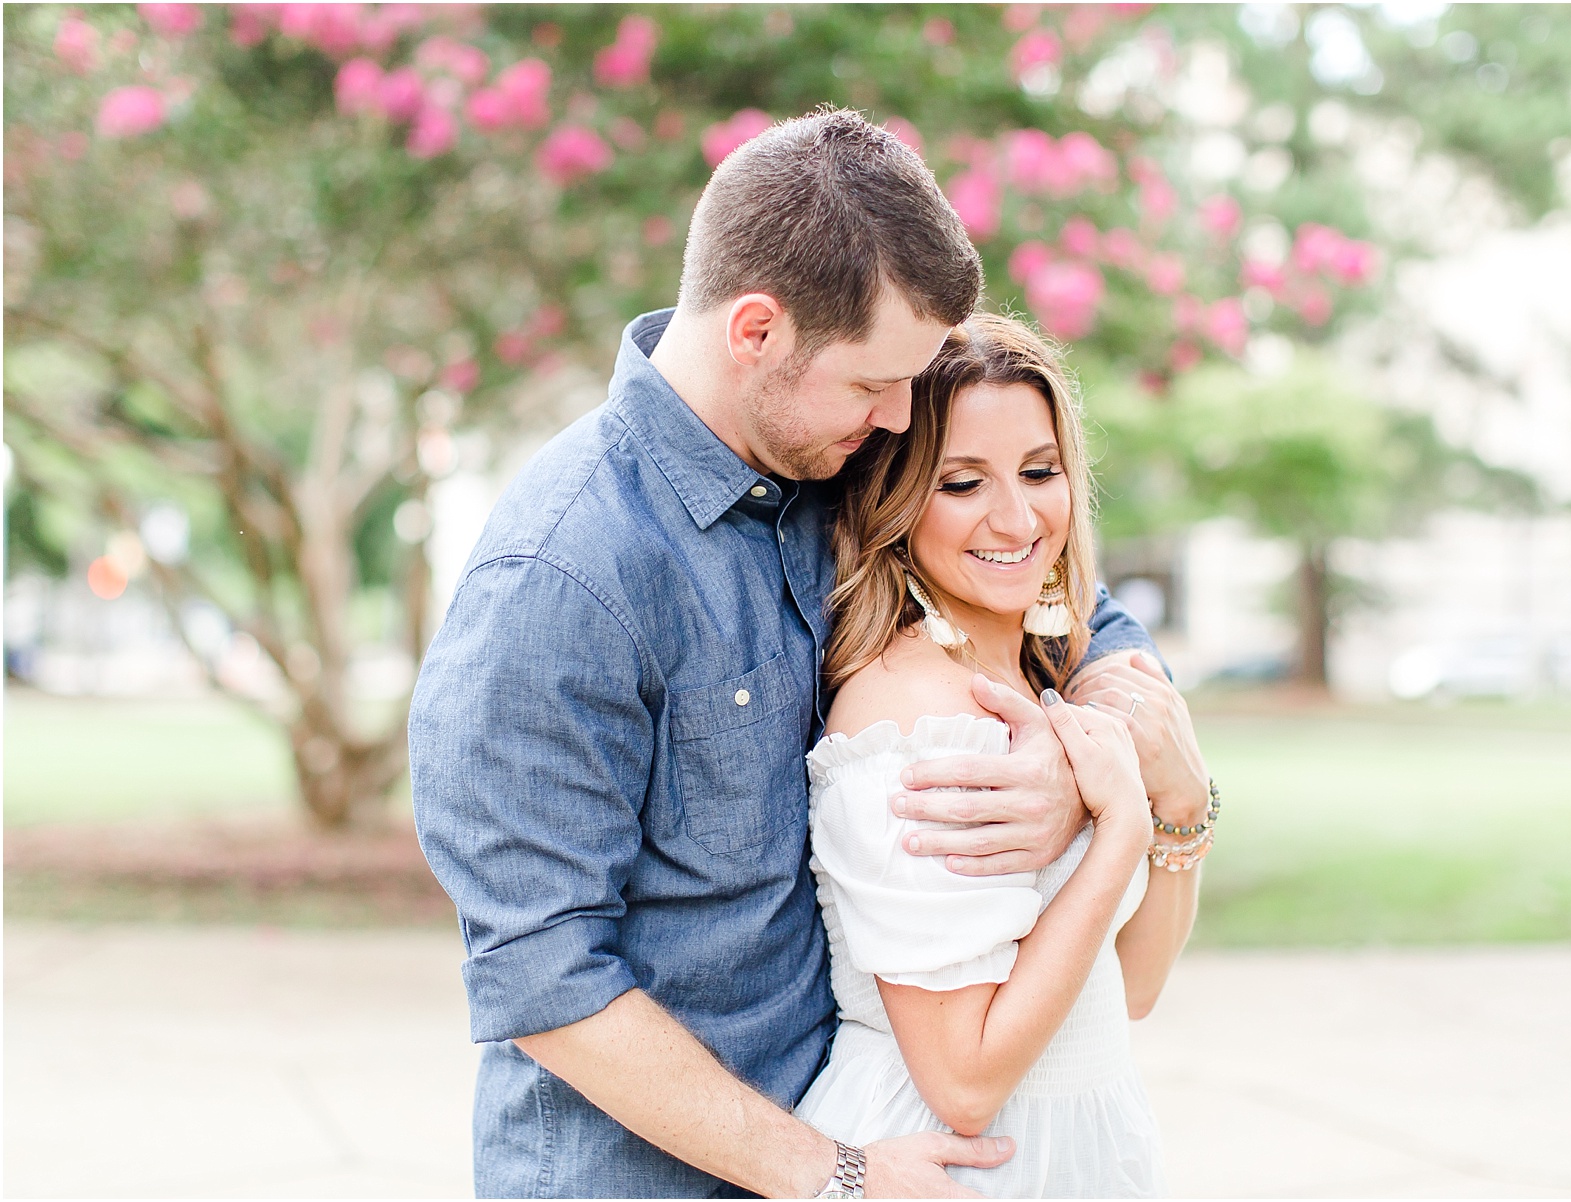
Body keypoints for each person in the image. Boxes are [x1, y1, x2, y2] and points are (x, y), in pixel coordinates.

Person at [409, 108, 1174, 1198]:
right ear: (756, 330)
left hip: (849, 1112)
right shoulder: (561, 575)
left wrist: (1069, 749)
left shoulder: (833, 463)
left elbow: (1070, 603)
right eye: (874, 383)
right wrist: (836, 1173)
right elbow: (544, 977)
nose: (903, 415)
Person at [793, 314, 1214, 1197]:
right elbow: (966, 1081)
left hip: (1077, 1146)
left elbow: (1128, 989)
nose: (1017, 517)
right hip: (950, 1160)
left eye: (1039, 471)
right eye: (961, 483)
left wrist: (1180, 798)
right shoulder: (906, 719)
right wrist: (1123, 829)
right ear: (897, 503)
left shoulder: (1037, 675)